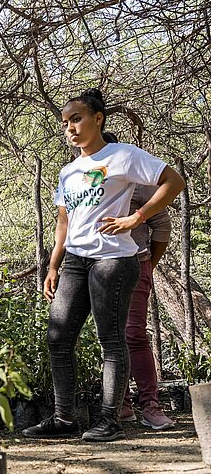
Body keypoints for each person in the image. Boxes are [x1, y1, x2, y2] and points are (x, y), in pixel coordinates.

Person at [22, 88, 185, 442]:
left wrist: (137, 217)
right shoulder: (69, 171)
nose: (70, 128)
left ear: (98, 119)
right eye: (65, 123)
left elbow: (174, 182)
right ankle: (64, 419)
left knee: (110, 338)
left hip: (114, 258)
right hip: (76, 261)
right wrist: (53, 266)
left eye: (76, 119)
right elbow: (63, 222)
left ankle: (110, 420)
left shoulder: (123, 156)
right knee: (58, 336)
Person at [120, 185, 175, 429]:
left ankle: (150, 405)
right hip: (95, 268)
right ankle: (119, 405)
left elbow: (162, 226)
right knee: (109, 336)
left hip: (136, 264)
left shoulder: (138, 183)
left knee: (134, 334)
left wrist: (148, 265)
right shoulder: (83, 178)